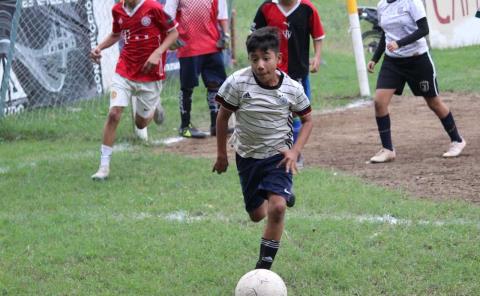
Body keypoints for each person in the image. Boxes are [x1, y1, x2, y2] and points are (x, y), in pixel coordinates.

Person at [213, 27, 313, 270]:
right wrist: (221, 155)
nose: (260, 65)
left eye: (266, 58)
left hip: (279, 157)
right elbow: (222, 117)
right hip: (247, 156)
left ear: (278, 58)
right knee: (257, 214)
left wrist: (295, 151)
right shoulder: (237, 83)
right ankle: (280, 194)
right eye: (254, 59)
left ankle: (263, 270)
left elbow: (308, 119)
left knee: (277, 208)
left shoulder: (292, 89)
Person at [367, 0, 466, 163]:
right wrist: (375, 58)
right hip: (392, 62)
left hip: (417, 60)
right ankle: (387, 149)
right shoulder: (381, 6)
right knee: (379, 102)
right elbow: (386, 34)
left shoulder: (411, 2)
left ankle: (457, 140)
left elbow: (424, 29)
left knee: (433, 102)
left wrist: (399, 43)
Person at [90, 0, 178, 180]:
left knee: (141, 124)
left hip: (150, 74)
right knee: (114, 114)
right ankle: (104, 167)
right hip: (125, 70)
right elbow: (116, 34)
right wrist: (99, 47)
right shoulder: (118, 10)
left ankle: (154, 106)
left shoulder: (153, 8)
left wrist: (157, 53)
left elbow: (173, 33)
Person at [251, 0, 325, 166]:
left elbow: (318, 36)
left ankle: (294, 155)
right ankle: (269, 152)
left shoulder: (307, 8)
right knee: (271, 111)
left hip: (298, 71)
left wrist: (317, 57)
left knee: (297, 114)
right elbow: (253, 38)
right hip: (272, 73)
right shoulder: (267, 7)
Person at [165, 0, 231, 138]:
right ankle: (185, 126)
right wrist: (170, 35)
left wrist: (226, 35)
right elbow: (167, 16)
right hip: (188, 47)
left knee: (216, 85)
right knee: (187, 87)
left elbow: (222, 15)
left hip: (212, 44)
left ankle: (216, 125)